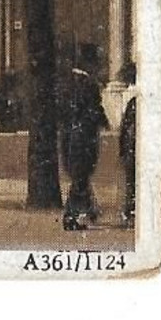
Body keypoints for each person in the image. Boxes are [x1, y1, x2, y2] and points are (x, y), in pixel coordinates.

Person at [60, 43, 110, 231]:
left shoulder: (68, 82)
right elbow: (93, 110)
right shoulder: (88, 84)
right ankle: (70, 215)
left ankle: (89, 210)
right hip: (83, 137)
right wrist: (103, 120)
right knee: (81, 176)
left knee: (80, 176)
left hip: (69, 136)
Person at [119, 61, 138, 227]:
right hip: (133, 146)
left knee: (131, 182)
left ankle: (129, 212)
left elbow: (124, 126)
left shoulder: (130, 97)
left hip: (130, 146)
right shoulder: (135, 97)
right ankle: (130, 212)